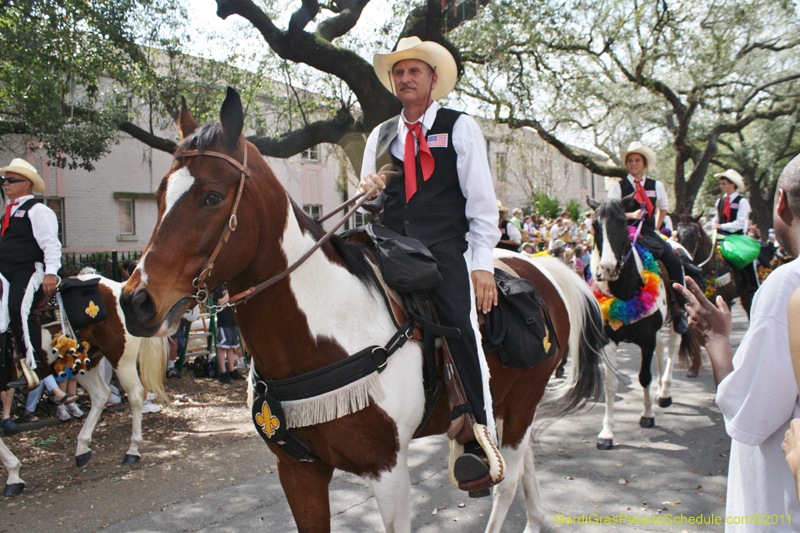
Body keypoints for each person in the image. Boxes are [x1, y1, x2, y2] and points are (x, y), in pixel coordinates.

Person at [358, 36, 503, 492]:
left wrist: (482, 264)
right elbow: (372, 204)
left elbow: (481, 204)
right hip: (389, 245)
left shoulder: (461, 128)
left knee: (462, 327)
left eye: (414, 71)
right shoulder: (379, 136)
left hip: (443, 248)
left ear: (432, 80)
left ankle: (478, 437)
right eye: (399, 72)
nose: (405, 78)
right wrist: (370, 195)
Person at [675, 154, 800, 530]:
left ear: (780, 202)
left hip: (780, 512)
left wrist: (715, 340)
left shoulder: (787, 286)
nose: (725, 188)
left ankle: (747, 286)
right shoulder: (716, 201)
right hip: (714, 233)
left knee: (738, 258)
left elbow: (751, 415)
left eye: (728, 184)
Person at [0, 159, 62, 434]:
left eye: (11, 180)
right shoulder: (8, 212)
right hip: (7, 271)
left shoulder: (38, 210)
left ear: (26, 184)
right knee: (3, 322)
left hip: (30, 269)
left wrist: (51, 273)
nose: (5, 184)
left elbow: (51, 243)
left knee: (19, 311)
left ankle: (32, 366)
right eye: (4, 180)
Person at [608, 142, 688, 334]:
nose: (633, 164)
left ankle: (679, 309)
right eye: (630, 161)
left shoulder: (656, 186)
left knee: (675, 262)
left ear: (643, 163)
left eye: (637, 160)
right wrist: (630, 216)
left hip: (650, 234)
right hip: (624, 235)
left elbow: (663, 207)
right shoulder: (618, 187)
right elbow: (609, 211)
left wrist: (657, 227)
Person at [711, 169, 759, 291]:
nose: (720, 186)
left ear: (732, 185)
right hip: (720, 237)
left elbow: (740, 223)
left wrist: (721, 226)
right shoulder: (719, 201)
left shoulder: (742, 202)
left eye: (724, 184)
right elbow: (716, 219)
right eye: (721, 183)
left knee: (747, 262)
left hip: (737, 238)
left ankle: (753, 288)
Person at [212, 285, 244, 383]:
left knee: (231, 347)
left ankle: (231, 370)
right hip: (224, 322)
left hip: (233, 320)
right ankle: (223, 373)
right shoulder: (218, 287)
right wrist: (230, 293)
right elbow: (220, 301)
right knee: (223, 347)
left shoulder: (229, 284)